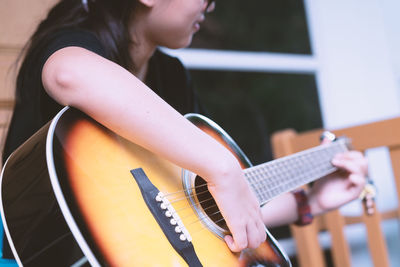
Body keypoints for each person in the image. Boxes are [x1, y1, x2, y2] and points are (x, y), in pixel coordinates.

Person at [2, 0, 367, 260]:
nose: (211, 7)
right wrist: (221, 167)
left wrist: (312, 202)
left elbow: (209, 210)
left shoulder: (171, 76)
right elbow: (69, 73)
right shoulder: (74, 37)